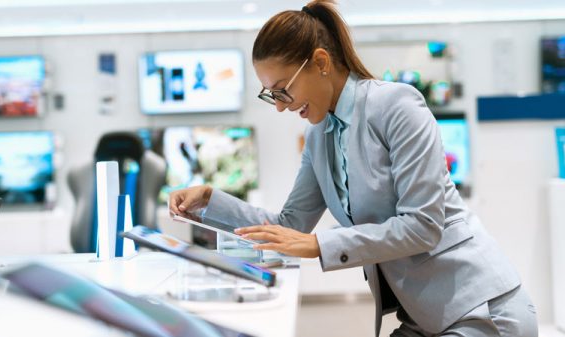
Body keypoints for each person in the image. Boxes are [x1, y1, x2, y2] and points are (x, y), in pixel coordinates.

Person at [168, 1, 538, 336]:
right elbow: (291, 226)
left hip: (482, 310)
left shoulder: (397, 106)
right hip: (426, 317)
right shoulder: (320, 138)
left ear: (321, 63)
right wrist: (210, 201)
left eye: (283, 90)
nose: (280, 106)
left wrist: (319, 245)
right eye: (271, 96)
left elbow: (423, 225)